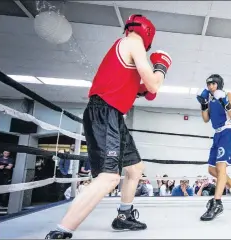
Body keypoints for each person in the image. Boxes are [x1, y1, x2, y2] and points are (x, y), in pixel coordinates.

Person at [45, 14, 172, 239]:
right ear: (148, 33)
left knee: (135, 168)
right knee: (109, 177)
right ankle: (61, 231)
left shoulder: (124, 49)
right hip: (105, 113)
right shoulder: (134, 43)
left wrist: (144, 89)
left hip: (112, 114)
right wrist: (161, 67)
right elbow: (154, 83)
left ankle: (124, 216)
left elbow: (139, 88)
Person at [196, 74, 231, 221]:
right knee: (211, 170)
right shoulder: (210, 100)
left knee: (220, 168)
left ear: (219, 84)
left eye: (213, 84)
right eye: (208, 84)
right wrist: (204, 103)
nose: (211, 87)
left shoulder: (229, 95)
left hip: (228, 132)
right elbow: (206, 119)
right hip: (217, 135)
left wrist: (225, 102)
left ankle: (217, 203)